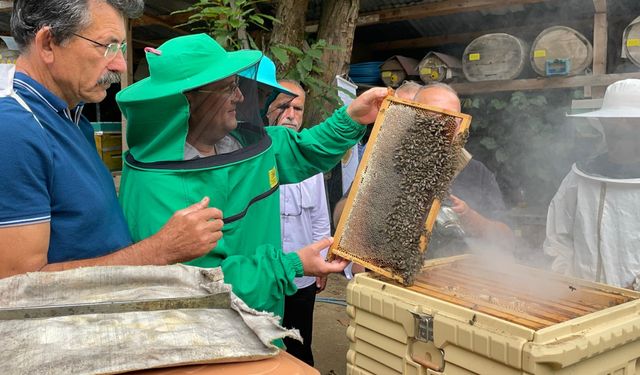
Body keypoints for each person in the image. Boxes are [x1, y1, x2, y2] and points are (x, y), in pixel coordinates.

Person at [116, 34, 388, 326]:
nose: (240, 96)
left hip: (266, 317)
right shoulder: (155, 187)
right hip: (213, 338)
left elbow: (304, 148)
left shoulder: (243, 144)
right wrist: (292, 265)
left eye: (237, 84)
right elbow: (202, 285)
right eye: (227, 88)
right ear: (189, 100)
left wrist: (353, 117)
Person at [0, 0, 223, 279]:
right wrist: (158, 251)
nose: (119, 65)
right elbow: (16, 285)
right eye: (107, 46)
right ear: (48, 43)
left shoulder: (72, 120)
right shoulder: (13, 129)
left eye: (121, 49)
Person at [544, 79, 640, 290]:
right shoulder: (579, 177)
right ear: (603, 123)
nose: (621, 125)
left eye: (631, 120)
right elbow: (558, 236)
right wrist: (569, 282)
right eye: (615, 119)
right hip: (584, 302)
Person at [265, 79, 328, 365]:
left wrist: (322, 260)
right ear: (266, 109)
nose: (291, 114)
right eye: (283, 106)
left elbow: (319, 217)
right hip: (265, 275)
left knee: (301, 345)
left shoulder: (311, 161)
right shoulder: (251, 157)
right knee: (264, 345)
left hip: (303, 275)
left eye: (298, 108)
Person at [413, 83, 514, 258]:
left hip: (459, 277)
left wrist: (470, 218)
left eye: (453, 119)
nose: (445, 125)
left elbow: (507, 240)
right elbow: (349, 216)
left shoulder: (477, 173)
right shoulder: (387, 163)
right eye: (436, 116)